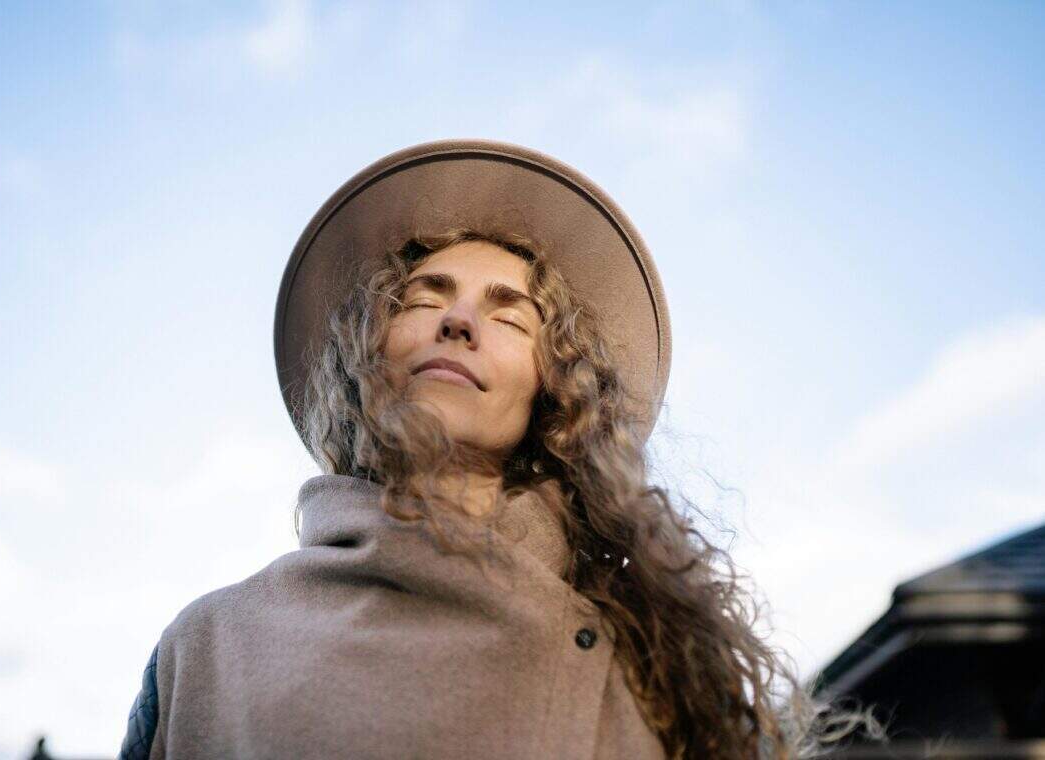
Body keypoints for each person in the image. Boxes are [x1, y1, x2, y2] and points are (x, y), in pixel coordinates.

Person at [116, 140, 849, 759]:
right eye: (424, 299)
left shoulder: (657, 674)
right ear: (364, 354)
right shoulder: (204, 651)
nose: (459, 322)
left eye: (511, 318)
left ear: (556, 389)